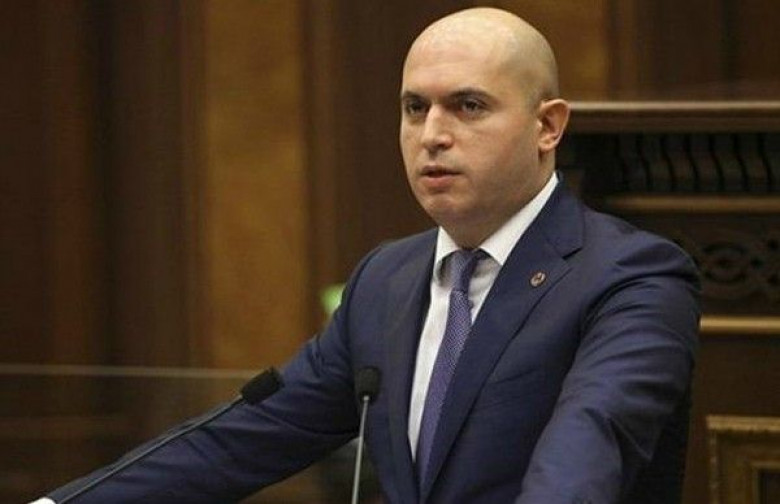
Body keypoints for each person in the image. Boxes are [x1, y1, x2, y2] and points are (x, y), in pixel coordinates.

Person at [37, 7, 699, 504]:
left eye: (468, 106)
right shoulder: (387, 280)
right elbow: (247, 436)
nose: (432, 135)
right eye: (415, 108)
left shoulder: (631, 279)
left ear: (547, 126)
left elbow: (584, 455)